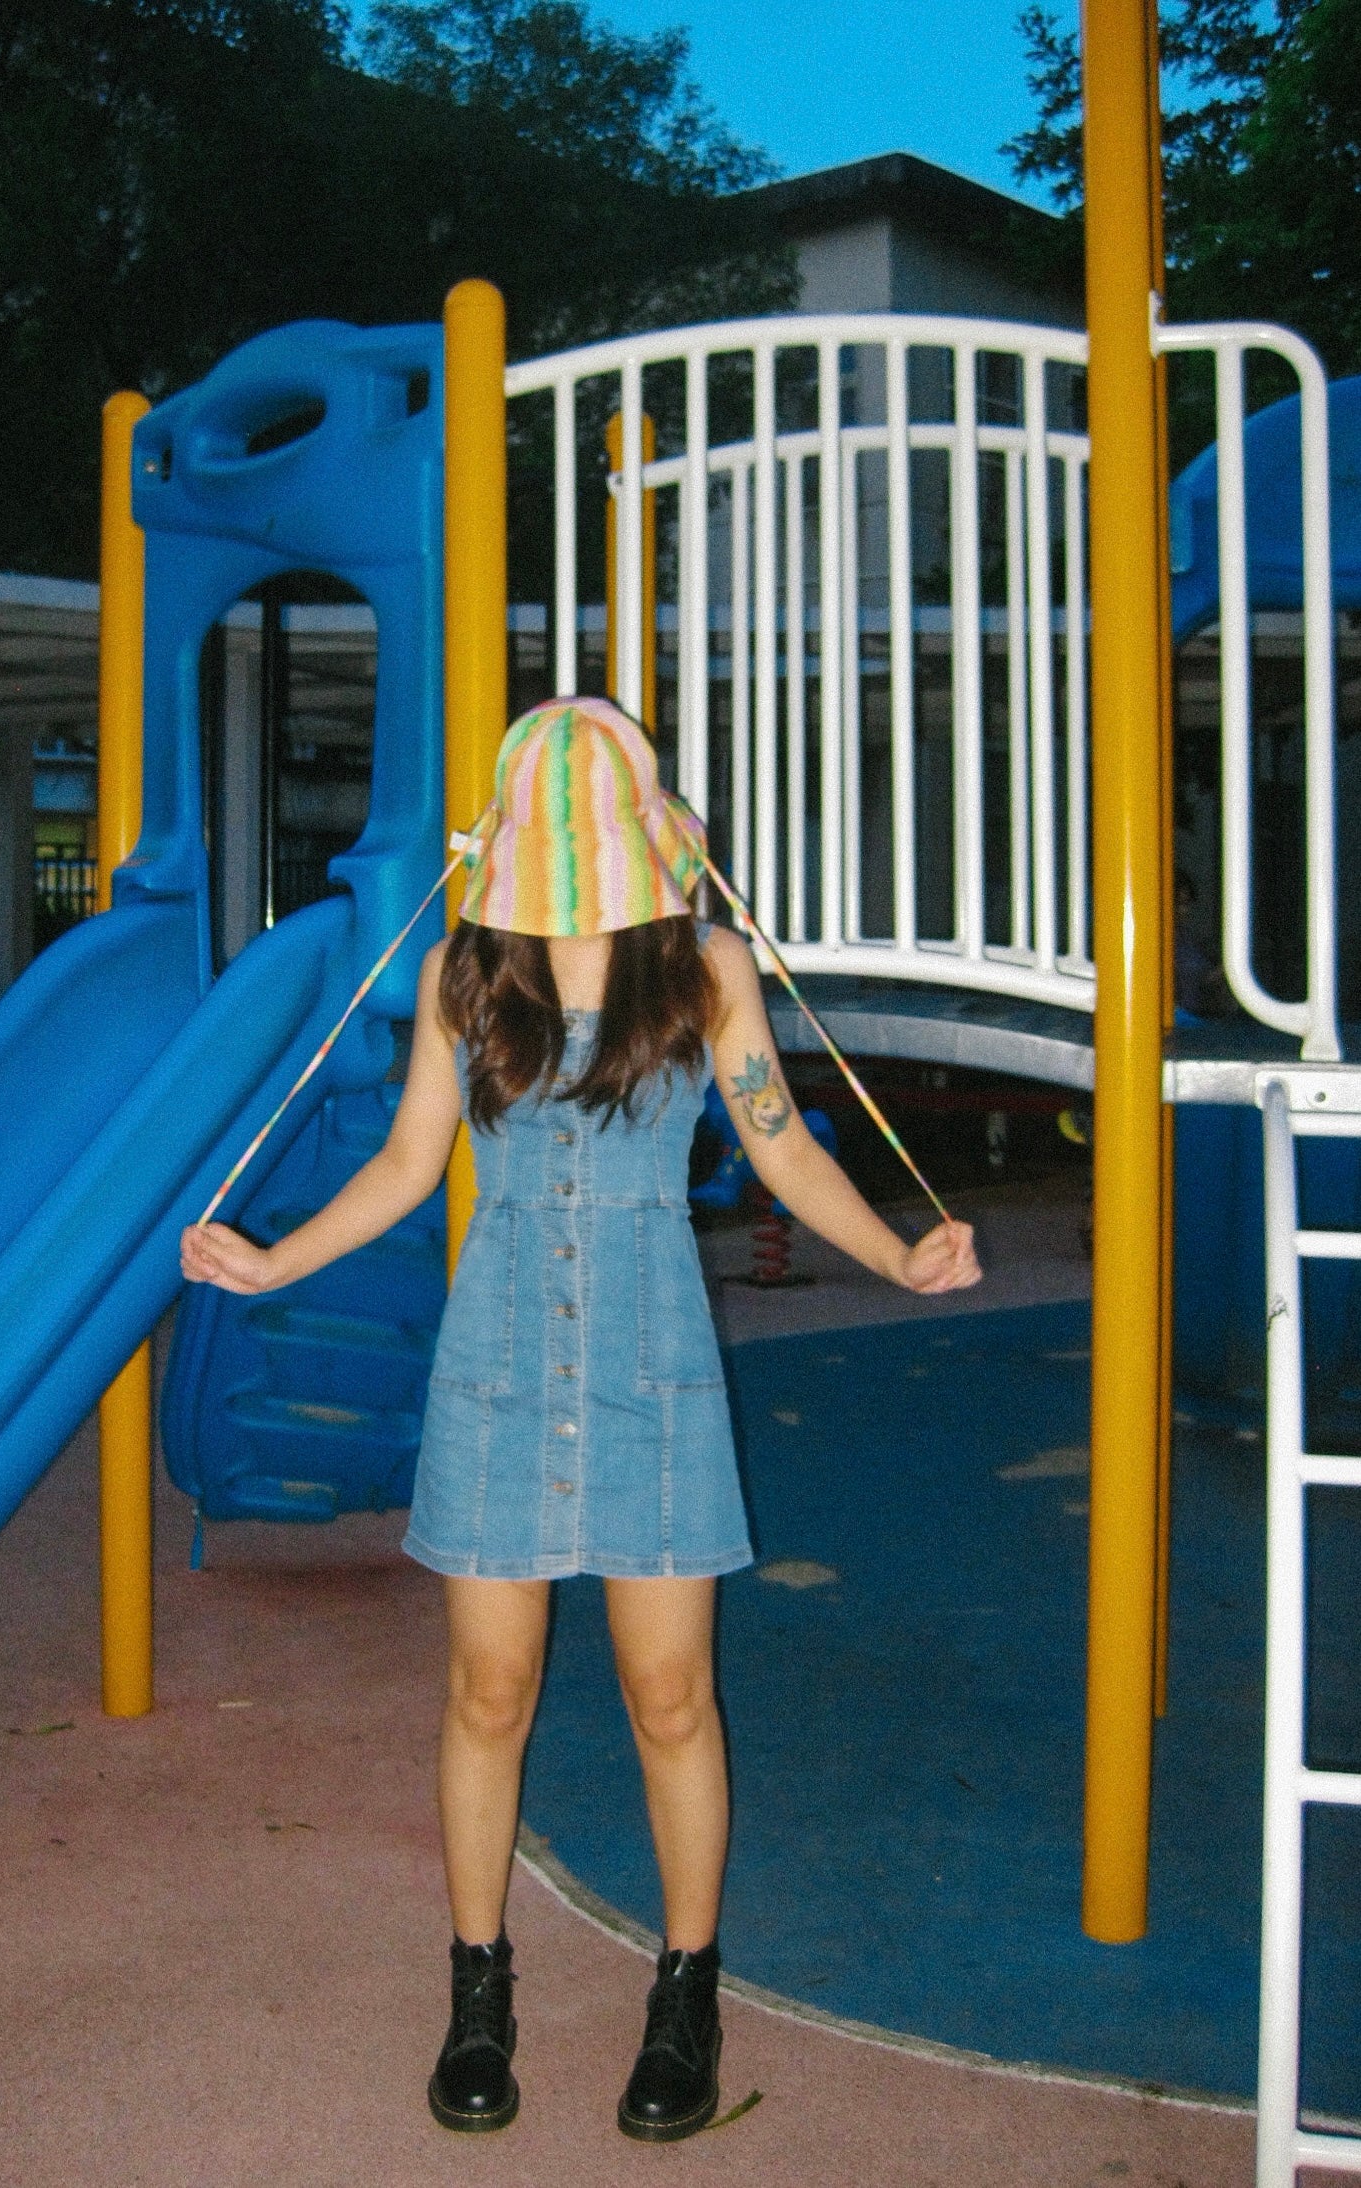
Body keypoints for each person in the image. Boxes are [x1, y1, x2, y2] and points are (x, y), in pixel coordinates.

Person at [181, 698, 980, 2141]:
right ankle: (476, 1990)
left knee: (671, 1698)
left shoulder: (704, 963)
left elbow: (780, 1143)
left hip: (656, 1368)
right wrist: (274, 1256)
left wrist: (897, 1251)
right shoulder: (465, 969)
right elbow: (413, 1166)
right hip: (495, 1371)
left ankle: (687, 1992)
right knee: (489, 1694)